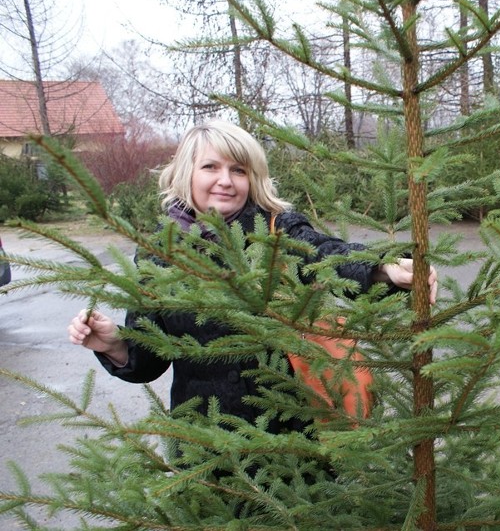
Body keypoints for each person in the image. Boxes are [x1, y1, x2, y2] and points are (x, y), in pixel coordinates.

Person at [67, 120, 437, 433]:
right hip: (205, 446)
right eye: (211, 167)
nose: (226, 180)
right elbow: (151, 357)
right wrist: (114, 345)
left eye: (239, 170)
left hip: (290, 437)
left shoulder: (276, 230)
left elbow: (324, 252)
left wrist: (383, 267)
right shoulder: (159, 253)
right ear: (186, 174)